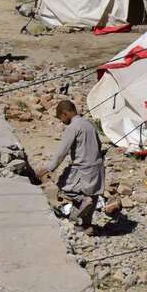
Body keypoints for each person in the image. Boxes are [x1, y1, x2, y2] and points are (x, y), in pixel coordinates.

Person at [36, 101, 105, 235]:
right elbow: (98, 144)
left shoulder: (73, 127)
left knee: (62, 183)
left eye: (60, 118)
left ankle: (82, 199)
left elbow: (61, 151)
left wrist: (48, 168)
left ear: (65, 113)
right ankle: (86, 226)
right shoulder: (89, 124)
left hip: (82, 167)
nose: (62, 121)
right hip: (97, 167)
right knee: (92, 196)